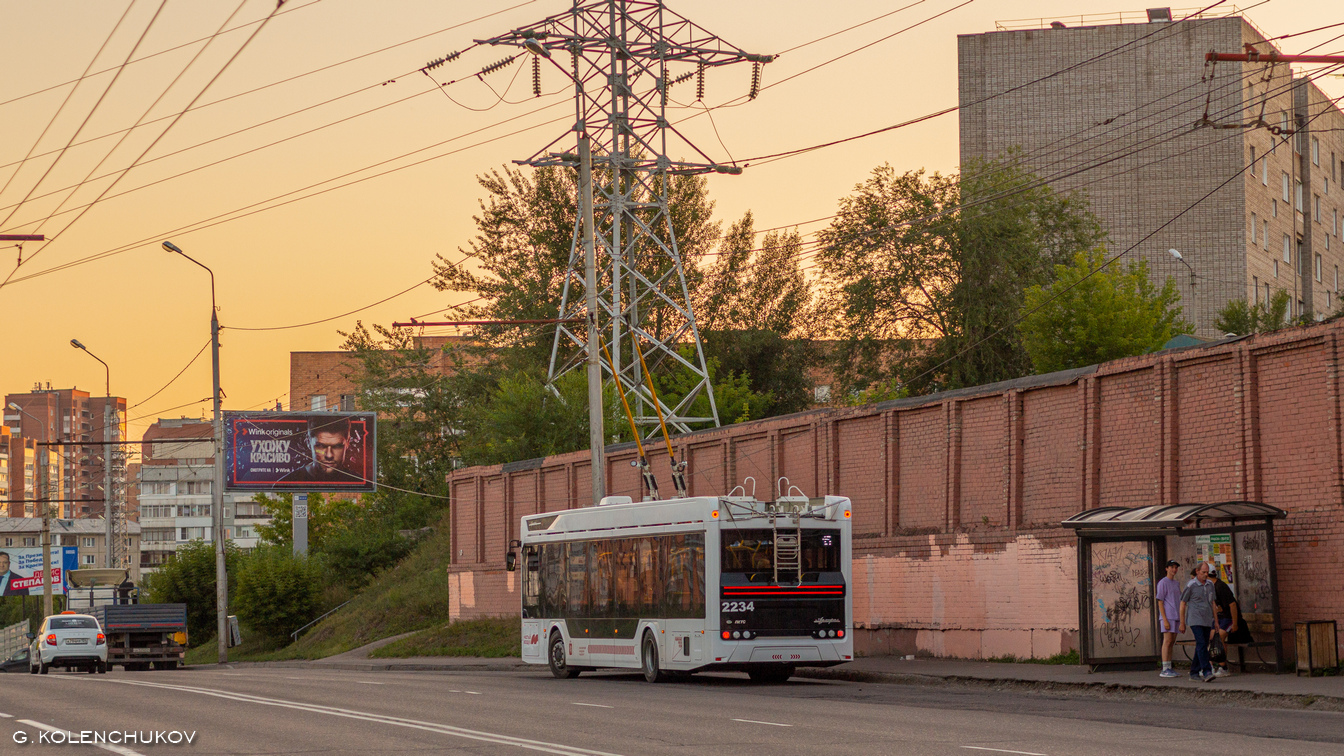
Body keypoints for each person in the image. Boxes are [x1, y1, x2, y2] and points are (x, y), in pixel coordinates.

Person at [279, 417, 357, 483]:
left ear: (348, 442)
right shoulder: (286, 483)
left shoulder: (359, 482)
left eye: (337, 446)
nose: (329, 455)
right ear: (308, 442)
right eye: (321, 446)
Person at [1180, 562, 1218, 682]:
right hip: (1195, 619)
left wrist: (1216, 621)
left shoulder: (1210, 585)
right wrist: (1182, 622)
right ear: (1197, 571)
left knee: (1202, 644)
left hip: (1207, 619)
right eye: (1203, 572)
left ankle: (1194, 671)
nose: (1205, 575)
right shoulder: (1191, 585)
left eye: (1207, 572)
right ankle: (1207, 671)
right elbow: (1183, 603)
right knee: (1201, 643)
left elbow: (1213, 603)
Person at [1211, 572, 1252, 677]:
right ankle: (1210, 666)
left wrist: (1235, 623)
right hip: (1221, 617)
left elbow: (1232, 604)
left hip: (1229, 618)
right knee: (1211, 637)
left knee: (1219, 637)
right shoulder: (1210, 587)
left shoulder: (1220, 587)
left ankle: (1223, 667)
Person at [1156, 559, 1182, 677]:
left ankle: (1169, 666)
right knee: (1167, 641)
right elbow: (1160, 601)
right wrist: (1164, 619)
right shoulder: (1163, 582)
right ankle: (1165, 668)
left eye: (1176, 567)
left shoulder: (1176, 583)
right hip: (1168, 615)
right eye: (1172, 567)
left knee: (1171, 642)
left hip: (1176, 615)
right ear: (1167, 568)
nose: (1174, 570)